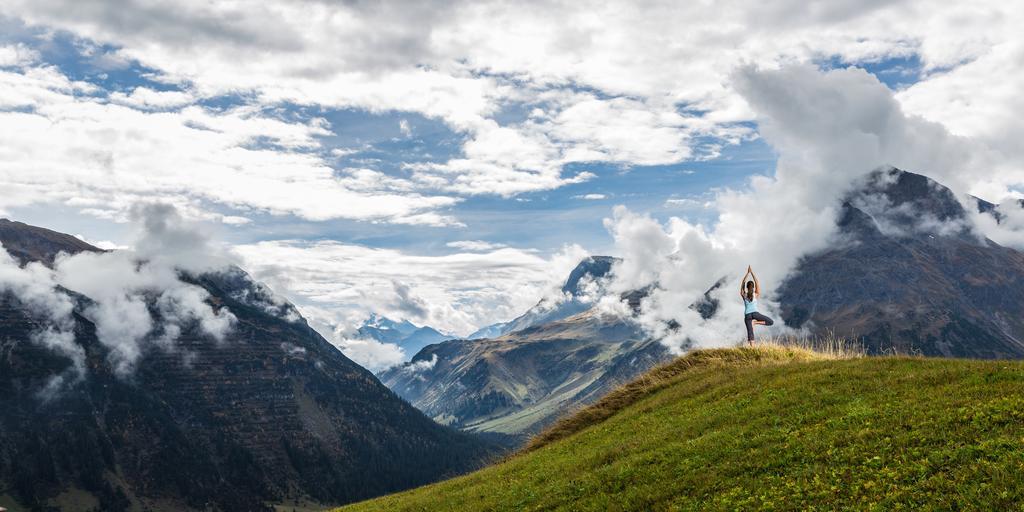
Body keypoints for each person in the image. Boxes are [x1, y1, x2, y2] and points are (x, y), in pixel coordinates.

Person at [740, 265, 774, 345]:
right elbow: (757, 282)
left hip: (747, 315)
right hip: (755, 313)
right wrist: (751, 273)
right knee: (770, 322)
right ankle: (755, 323)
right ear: (753, 287)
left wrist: (747, 273)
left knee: (750, 332)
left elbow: (742, 283)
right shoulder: (756, 294)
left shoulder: (744, 295)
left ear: (747, 288)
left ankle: (753, 349)